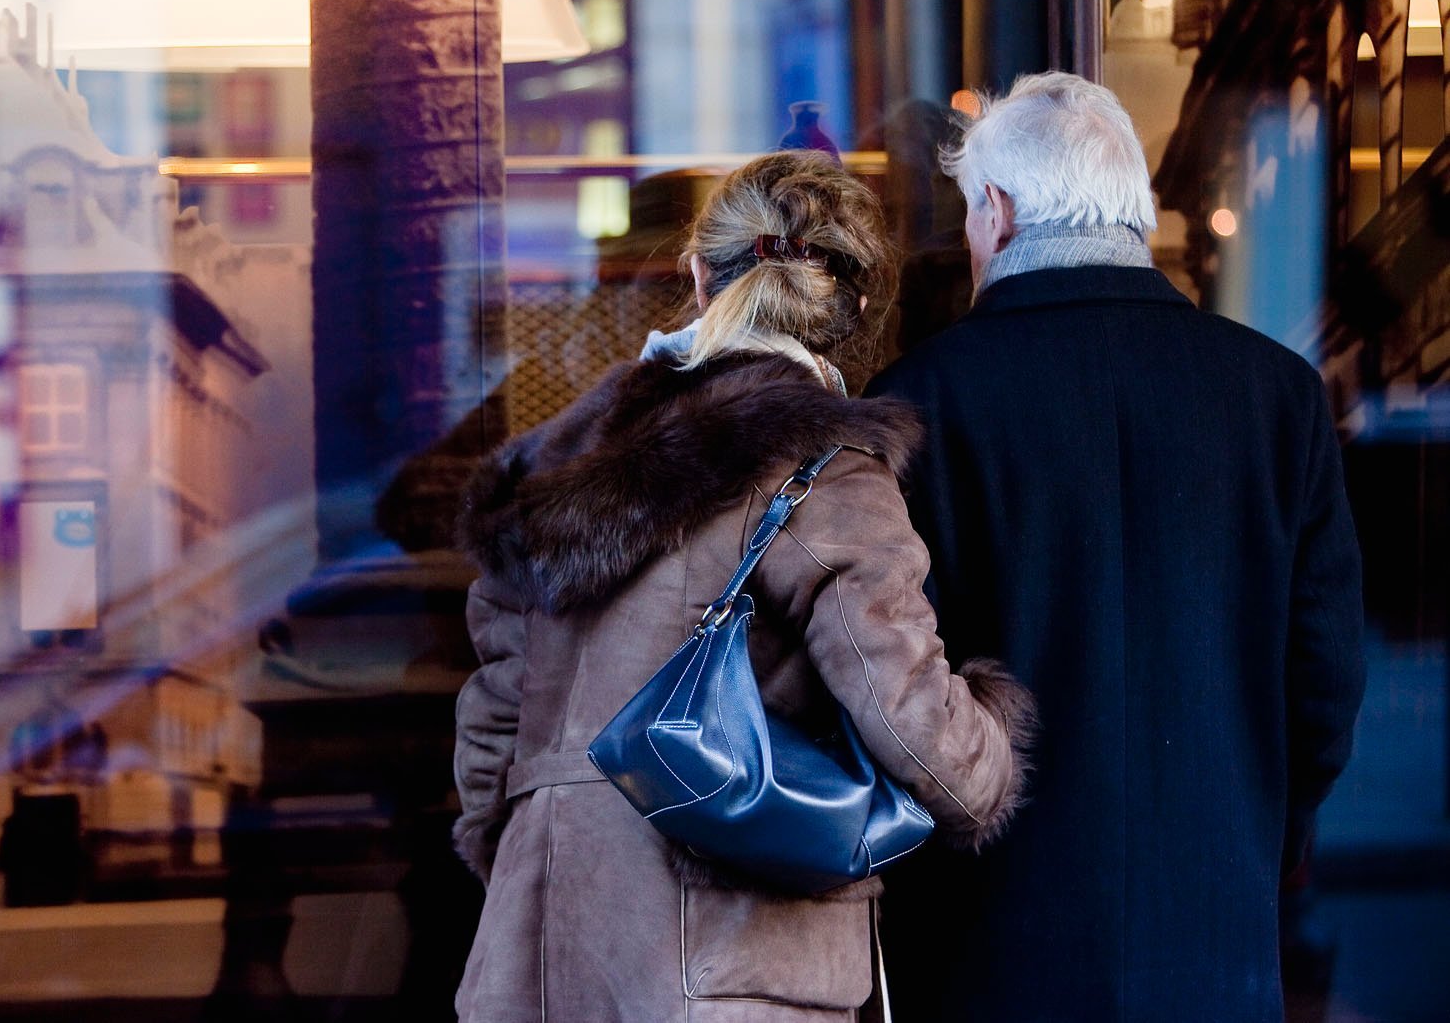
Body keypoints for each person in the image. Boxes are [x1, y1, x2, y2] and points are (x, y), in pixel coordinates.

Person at [450, 150, 1035, 1021]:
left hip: (528, 959)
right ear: (858, 306)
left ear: (695, 276)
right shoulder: (826, 470)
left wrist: (553, 852)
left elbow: (489, 739)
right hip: (726, 976)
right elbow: (916, 729)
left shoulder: (551, 459)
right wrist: (992, 732)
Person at [868, 72, 1367, 1022]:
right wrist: (1260, 820)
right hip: (1215, 933)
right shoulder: (1277, 398)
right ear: (1129, 211)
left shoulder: (915, 405)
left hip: (987, 941)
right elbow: (1327, 677)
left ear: (1000, 213)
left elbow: (889, 678)